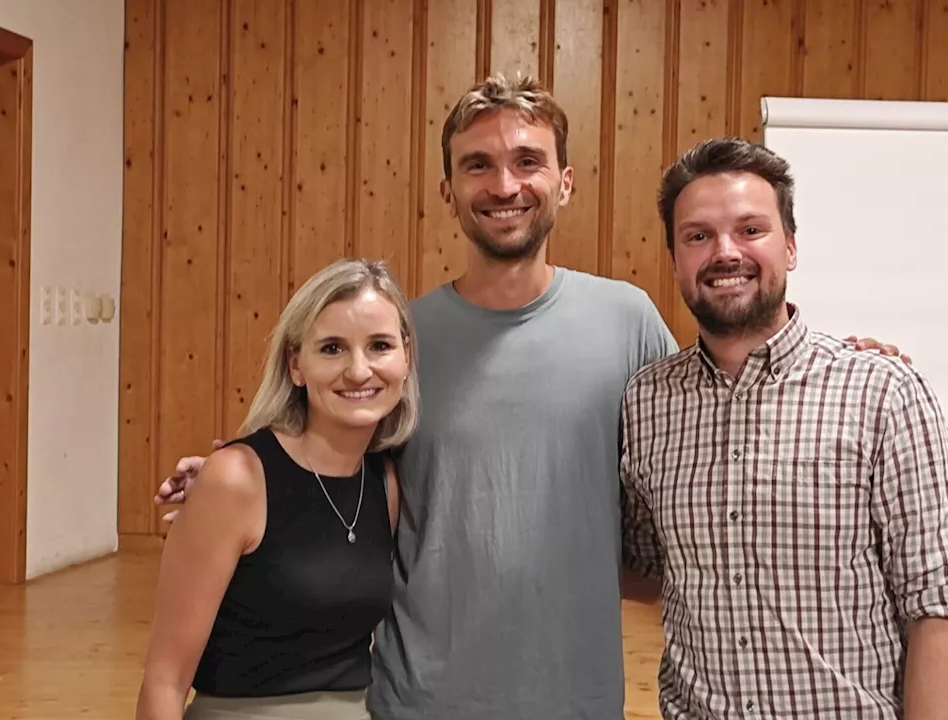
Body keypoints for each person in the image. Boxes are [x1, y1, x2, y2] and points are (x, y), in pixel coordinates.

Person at [155, 75, 908, 720]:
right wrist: (225, 478)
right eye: (477, 165)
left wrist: (846, 360)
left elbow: (717, 422)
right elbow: (323, 464)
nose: (505, 185)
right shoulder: (400, 344)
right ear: (448, 189)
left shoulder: (628, 321)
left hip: (577, 698)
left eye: (527, 161)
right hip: (419, 700)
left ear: (566, 181)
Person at [619, 137, 948, 719]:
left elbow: (939, 602)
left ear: (790, 246)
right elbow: (651, 567)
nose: (725, 252)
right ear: (676, 258)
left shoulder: (882, 394)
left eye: (750, 230)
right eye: (698, 235)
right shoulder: (647, 402)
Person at [135, 258, 419, 720]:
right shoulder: (236, 480)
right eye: (332, 348)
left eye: (380, 346)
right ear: (296, 365)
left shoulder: (384, 481)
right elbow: (164, 681)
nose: (359, 370)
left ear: (405, 356)